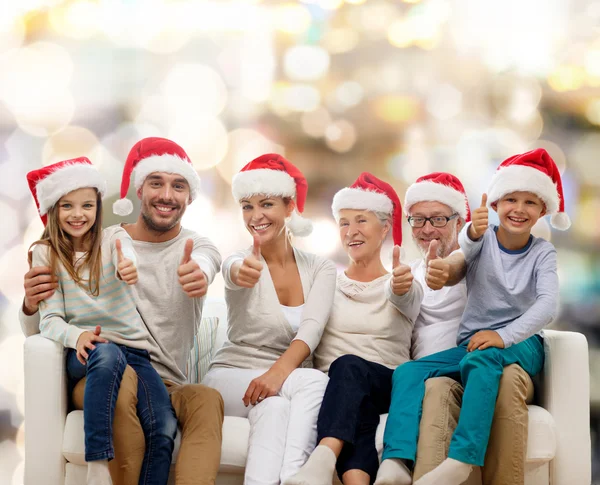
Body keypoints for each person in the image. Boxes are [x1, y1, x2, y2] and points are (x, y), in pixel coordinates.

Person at [20, 138, 224, 485]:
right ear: (139, 188)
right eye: (156, 183)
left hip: (165, 379)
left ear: (189, 196)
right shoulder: (102, 242)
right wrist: (29, 304)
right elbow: (43, 326)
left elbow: (208, 263)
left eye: (179, 186)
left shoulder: (197, 247)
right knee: (123, 379)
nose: (167, 195)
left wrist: (199, 274)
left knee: (206, 398)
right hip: (103, 371)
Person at [376, 149, 569, 485]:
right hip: (475, 346)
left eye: (530, 202)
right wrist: (441, 271)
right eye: (511, 199)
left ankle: (462, 459)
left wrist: (503, 335)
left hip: (521, 344)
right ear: (494, 204)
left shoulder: (542, 253)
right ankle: (395, 460)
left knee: (481, 359)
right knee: (409, 372)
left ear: (542, 211)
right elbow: (459, 259)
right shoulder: (480, 239)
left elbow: (547, 306)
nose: (519, 209)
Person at [26, 157, 176, 485]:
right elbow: (49, 319)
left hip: (135, 352)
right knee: (106, 353)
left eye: (87, 205)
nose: (78, 214)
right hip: (88, 351)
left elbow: (127, 254)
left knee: (163, 426)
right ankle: (97, 465)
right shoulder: (45, 253)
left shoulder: (113, 240)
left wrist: (129, 266)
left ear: (98, 207)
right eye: (67, 205)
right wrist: (77, 336)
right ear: (53, 209)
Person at [201, 154, 337, 485]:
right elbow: (232, 272)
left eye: (266, 204)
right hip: (231, 378)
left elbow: (312, 328)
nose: (256, 216)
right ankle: (297, 478)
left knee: (275, 411)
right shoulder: (239, 260)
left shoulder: (321, 268)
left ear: (289, 207)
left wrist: (275, 376)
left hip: (277, 386)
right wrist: (240, 272)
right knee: (315, 381)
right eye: (247, 206)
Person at [284, 172, 423, 485]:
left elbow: (407, 297)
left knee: (348, 367)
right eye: (344, 222)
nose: (351, 231)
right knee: (351, 395)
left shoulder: (402, 282)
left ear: (385, 227)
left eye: (362, 220)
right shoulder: (325, 282)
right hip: (337, 389)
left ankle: (323, 457)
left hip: (386, 384)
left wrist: (401, 286)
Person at [404, 172, 537, 485]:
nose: (427, 229)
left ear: (459, 221)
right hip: (446, 373)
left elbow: (457, 267)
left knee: (505, 377)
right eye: (418, 219)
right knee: (435, 387)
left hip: (501, 365)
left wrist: (448, 269)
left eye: (438, 219)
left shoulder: (485, 259)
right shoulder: (406, 277)